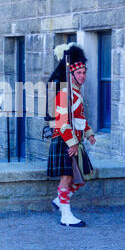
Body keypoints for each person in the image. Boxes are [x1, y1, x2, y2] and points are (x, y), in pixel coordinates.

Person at [46, 43, 96, 227]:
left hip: (75, 140)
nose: (82, 76)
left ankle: (60, 201)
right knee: (67, 177)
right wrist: (72, 143)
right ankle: (65, 216)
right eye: (79, 73)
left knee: (84, 175)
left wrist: (88, 132)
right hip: (64, 140)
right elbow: (61, 121)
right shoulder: (64, 93)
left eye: (84, 72)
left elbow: (79, 116)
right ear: (72, 74)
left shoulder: (76, 93)